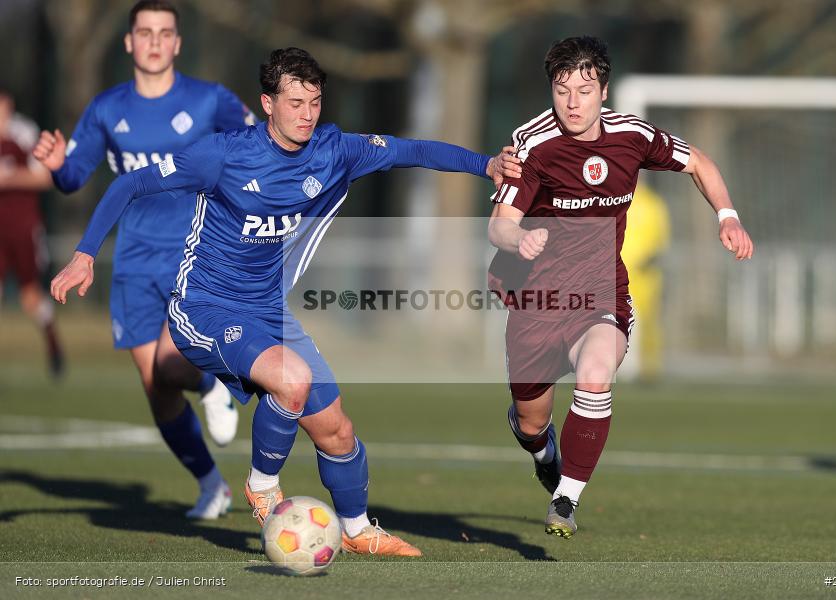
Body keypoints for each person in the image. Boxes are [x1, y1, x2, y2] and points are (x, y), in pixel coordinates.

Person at [50, 47, 517, 557]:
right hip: (204, 307)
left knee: (337, 430)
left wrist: (485, 164)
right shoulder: (223, 154)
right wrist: (85, 254)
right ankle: (260, 485)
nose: (307, 114)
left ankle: (359, 531)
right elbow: (131, 182)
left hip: (268, 310)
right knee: (291, 381)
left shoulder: (334, 150)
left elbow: (413, 151)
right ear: (267, 104)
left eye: (315, 102)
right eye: (295, 103)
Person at [488, 36, 753, 538]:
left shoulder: (633, 135)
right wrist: (519, 236)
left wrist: (728, 216)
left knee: (594, 375)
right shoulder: (532, 143)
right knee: (530, 421)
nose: (572, 102)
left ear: (603, 92)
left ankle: (565, 499)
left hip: (601, 291)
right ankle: (544, 453)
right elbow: (499, 224)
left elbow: (698, 161)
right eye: (561, 89)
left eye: (584, 90)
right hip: (537, 299)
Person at [32, 0, 253, 520]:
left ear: (178, 43)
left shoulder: (209, 100)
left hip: (197, 253)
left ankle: (214, 383)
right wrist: (58, 164)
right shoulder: (107, 108)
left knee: (171, 365)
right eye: (145, 32)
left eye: (165, 33)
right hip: (133, 259)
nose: (154, 41)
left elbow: (254, 147)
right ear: (128, 42)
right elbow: (73, 178)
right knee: (155, 385)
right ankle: (211, 485)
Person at [0, 90, 64, 377]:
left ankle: (53, 347)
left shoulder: (25, 133)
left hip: (23, 226)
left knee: (30, 295)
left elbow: (44, 177)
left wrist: (10, 177)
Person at [618, 183, 671, 381]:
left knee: (648, 323)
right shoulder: (609, 198)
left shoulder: (653, 204)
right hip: (612, 276)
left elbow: (660, 242)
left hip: (644, 278)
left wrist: (648, 260)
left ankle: (649, 371)